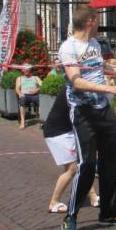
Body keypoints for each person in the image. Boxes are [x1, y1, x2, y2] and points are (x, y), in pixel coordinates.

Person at [58, 5, 116, 230]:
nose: (101, 24)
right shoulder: (68, 48)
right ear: (91, 21)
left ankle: (109, 213)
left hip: (103, 110)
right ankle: (70, 217)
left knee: (111, 161)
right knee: (86, 166)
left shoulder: (94, 45)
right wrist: (109, 88)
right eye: (99, 20)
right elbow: (76, 82)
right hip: (83, 112)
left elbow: (104, 68)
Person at [43, 84, 99, 214]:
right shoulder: (75, 88)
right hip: (58, 132)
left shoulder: (79, 86)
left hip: (67, 130)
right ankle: (54, 202)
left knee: (81, 165)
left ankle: (93, 196)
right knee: (72, 168)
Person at [15, 65, 41, 129]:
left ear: (30, 69)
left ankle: (41, 120)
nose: (27, 70)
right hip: (24, 95)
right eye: (25, 69)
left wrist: (36, 90)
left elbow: (42, 85)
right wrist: (19, 93)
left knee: (41, 101)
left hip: (35, 95)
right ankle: (23, 122)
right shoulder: (19, 78)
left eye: (28, 68)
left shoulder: (35, 78)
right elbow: (17, 88)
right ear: (22, 70)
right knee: (22, 101)